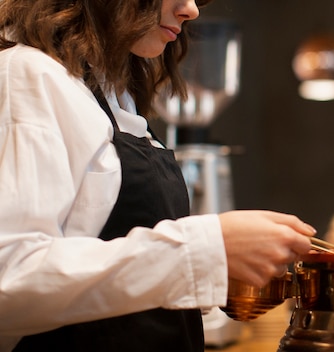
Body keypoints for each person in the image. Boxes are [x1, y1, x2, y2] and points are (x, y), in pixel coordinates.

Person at [0, 0, 316, 351]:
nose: (191, 10)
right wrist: (203, 250)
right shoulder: (27, 76)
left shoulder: (114, 97)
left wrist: (218, 268)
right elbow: (9, 279)